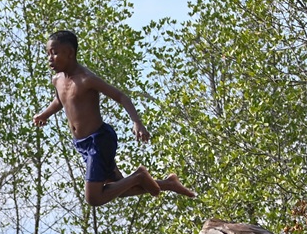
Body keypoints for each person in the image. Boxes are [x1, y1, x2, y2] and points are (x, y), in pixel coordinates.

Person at [32, 30, 196, 207]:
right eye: (48, 53)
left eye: (55, 53)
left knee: (94, 198)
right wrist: (45, 114)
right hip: (83, 144)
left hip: (99, 141)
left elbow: (121, 96)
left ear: (70, 53)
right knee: (119, 188)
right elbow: (61, 99)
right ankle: (168, 184)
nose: (50, 58)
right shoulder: (57, 80)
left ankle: (140, 175)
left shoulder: (86, 79)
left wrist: (137, 122)